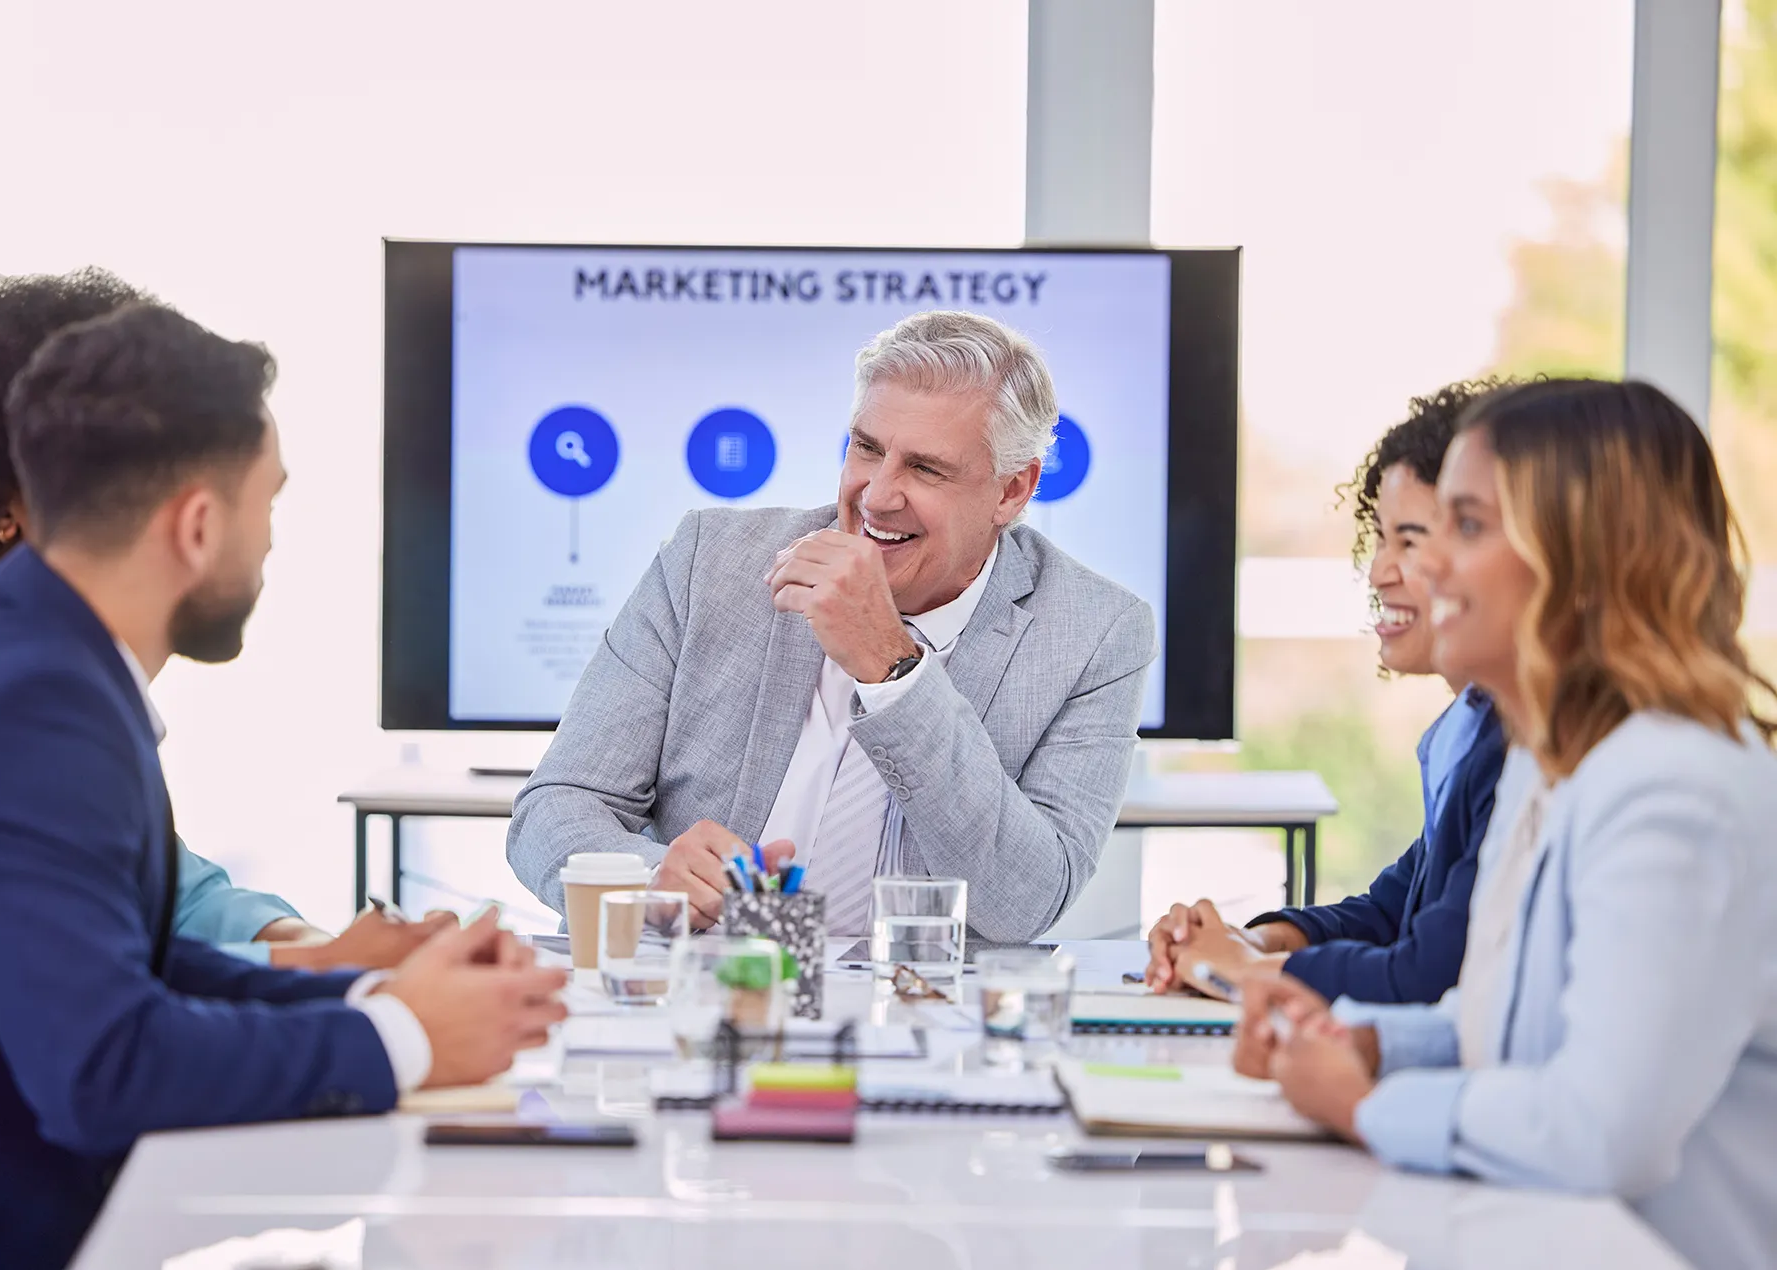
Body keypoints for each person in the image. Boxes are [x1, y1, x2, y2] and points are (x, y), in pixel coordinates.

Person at [0, 302, 568, 1270]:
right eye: (268, 501)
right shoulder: (27, 706)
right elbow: (103, 1067)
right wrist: (402, 1038)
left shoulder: (26, 662)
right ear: (198, 524)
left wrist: (373, 991)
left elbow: (138, 964)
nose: (272, 543)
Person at [1236, 379, 1777, 1270]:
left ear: (1589, 558)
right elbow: (1509, 1030)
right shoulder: (1546, 762)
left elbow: (1602, 1130)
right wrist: (1368, 1042)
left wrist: (1363, 1105)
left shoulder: (1675, 793)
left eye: (1468, 527)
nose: (1424, 563)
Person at [508, 310, 1155, 942]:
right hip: (698, 995)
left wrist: (894, 669)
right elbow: (554, 809)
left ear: (1013, 491)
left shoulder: (1096, 631)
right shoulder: (712, 561)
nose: (876, 495)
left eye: (925, 468)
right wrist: (652, 886)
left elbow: (1026, 902)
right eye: (867, 449)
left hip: (920, 1018)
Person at [0, 267, 432, 970]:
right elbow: (110, 1028)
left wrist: (314, 955)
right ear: (2, 508)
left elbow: (160, 901)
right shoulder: (7, 715)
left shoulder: (49, 675)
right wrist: (382, 1023)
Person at [1143, 383, 1509, 1004]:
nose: (1380, 570)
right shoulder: (1469, 725)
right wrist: (1254, 942)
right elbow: (1393, 911)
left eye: (1414, 540)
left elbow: (1431, 971)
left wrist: (1246, 971)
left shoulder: (1518, 744)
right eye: (1383, 537)